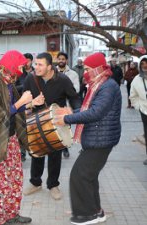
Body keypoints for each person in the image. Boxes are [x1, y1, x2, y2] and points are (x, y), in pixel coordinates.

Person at [54, 52, 122, 225]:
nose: (84, 73)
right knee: (89, 176)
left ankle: (86, 215)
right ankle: (96, 211)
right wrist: (71, 112)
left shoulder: (108, 86)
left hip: (101, 139)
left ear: (97, 68)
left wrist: (67, 119)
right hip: (97, 138)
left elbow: (96, 112)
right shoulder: (100, 84)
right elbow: (88, 108)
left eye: (87, 69)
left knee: (80, 175)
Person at [0, 50, 45, 225]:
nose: (21, 70)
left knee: (15, 179)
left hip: (11, 139)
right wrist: (21, 102)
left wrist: (31, 103)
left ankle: (12, 215)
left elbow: (13, 110)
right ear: (10, 64)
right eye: (19, 66)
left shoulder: (8, 81)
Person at [23, 52, 81, 200]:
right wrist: (30, 103)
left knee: (55, 155)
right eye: (36, 64)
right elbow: (23, 98)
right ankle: (35, 182)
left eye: (40, 64)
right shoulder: (31, 78)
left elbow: (74, 98)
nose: (36, 67)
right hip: (36, 122)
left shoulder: (63, 79)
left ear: (50, 66)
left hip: (56, 122)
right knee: (37, 153)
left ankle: (53, 184)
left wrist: (75, 112)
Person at [57, 52, 80, 158]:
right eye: (59, 59)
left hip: (67, 106)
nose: (61, 61)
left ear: (66, 60)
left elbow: (76, 89)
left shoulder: (73, 74)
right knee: (55, 127)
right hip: (55, 105)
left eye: (63, 59)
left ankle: (65, 148)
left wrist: (64, 90)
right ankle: (57, 148)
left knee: (66, 128)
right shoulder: (52, 72)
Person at [15, 53, 35, 162]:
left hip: (34, 104)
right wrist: (24, 86)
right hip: (21, 104)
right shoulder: (19, 74)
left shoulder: (36, 72)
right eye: (24, 61)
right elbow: (15, 88)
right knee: (21, 128)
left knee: (32, 129)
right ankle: (22, 151)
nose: (26, 63)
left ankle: (32, 149)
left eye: (28, 61)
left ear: (31, 61)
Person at [130, 55, 147, 165]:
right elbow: (133, 96)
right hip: (144, 111)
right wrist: (139, 106)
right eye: (142, 64)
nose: (145, 66)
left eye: (146, 64)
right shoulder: (137, 79)